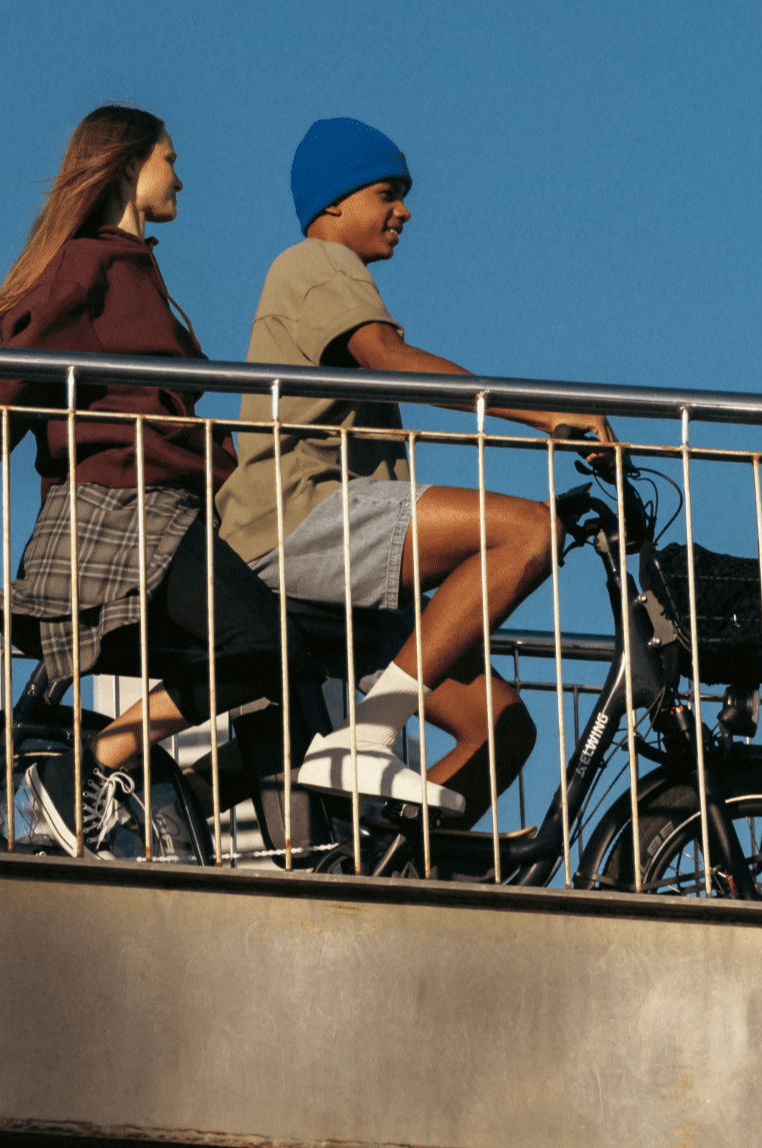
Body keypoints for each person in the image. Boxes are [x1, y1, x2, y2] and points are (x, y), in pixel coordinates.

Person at [0, 103, 302, 855]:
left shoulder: (139, 273)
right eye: (171, 158)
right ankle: (91, 767)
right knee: (271, 649)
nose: (182, 178)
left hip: (168, 514)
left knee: (279, 662)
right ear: (130, 168)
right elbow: (8, 386)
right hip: (125, 514)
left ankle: (263, 835)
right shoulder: (88, 267)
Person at [215, 117, 614, 827]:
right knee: (526, 532)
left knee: (504, 727)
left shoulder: (326, 273)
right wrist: (548, 414)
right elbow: (390, 359)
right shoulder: (317, 263)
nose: (404, 210)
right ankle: (369, 737)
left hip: (345, 571)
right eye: (387, 192)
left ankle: (397, 858)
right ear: (333, 203)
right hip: (300, 523)